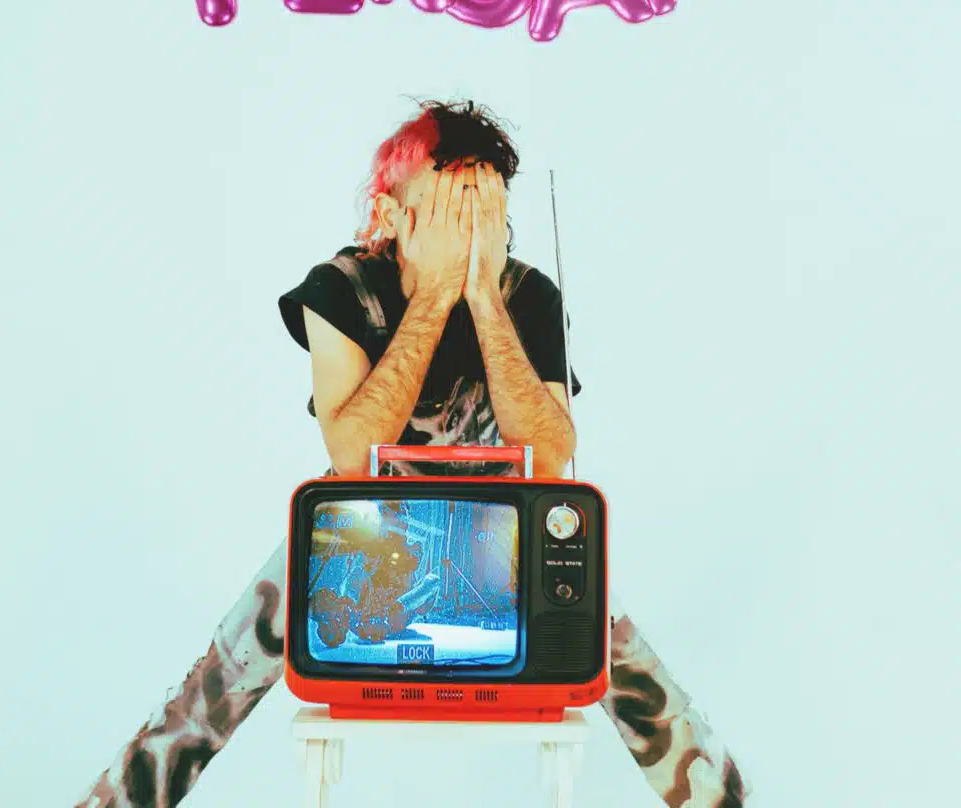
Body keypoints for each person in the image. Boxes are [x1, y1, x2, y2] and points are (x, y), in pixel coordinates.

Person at [75, 100, 750, 807]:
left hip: (499, 533)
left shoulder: (528, 295)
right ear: (390, 215)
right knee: (218, 680)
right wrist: (432, 298)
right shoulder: (340, 287)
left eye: (483, 213)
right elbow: (351, 456)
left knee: (634, 677)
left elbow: (551, 459)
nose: (467, 232)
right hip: (363, 532)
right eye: (446, 212)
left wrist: (484, 299)